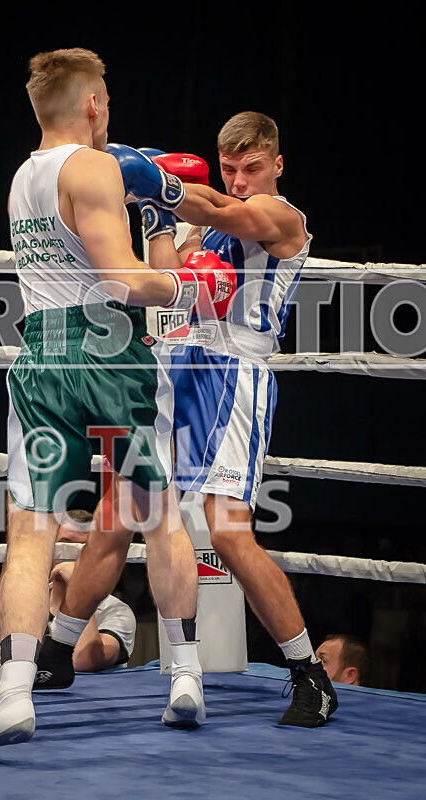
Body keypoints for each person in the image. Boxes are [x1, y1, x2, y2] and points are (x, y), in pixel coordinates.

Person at [0, 47, 233, 762]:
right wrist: (193, 287)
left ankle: (12, 691)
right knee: (155, 513)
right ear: (94, 105)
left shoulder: (20, 180)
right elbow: (125, 278)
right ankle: (186, 675)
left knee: (31, 527)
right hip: (106, 350)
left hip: (41, 356)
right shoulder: (96, 168)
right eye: (107, 100)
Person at [105, 112, 338, 728]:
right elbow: (168, 279)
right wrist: (155, 215)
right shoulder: (201, 227)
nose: (238, 180)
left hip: (235, 377)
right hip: (179, 369)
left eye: (251, 167)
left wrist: (166, 187)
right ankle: (55, 652)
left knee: (228, 533)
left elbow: (227, 215)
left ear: (277, 164)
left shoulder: (282, 217)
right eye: (228, 168)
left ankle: (308, 671)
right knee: (137, 508)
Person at [0, 511, 136, 693]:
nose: (73, 555)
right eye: (65, 545)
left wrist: (79, 587)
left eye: (83, 547)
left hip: (95, 710)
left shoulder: (116, 610)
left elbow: (83, 661)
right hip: (32, 710)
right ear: (50, 547)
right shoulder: (22, 609)